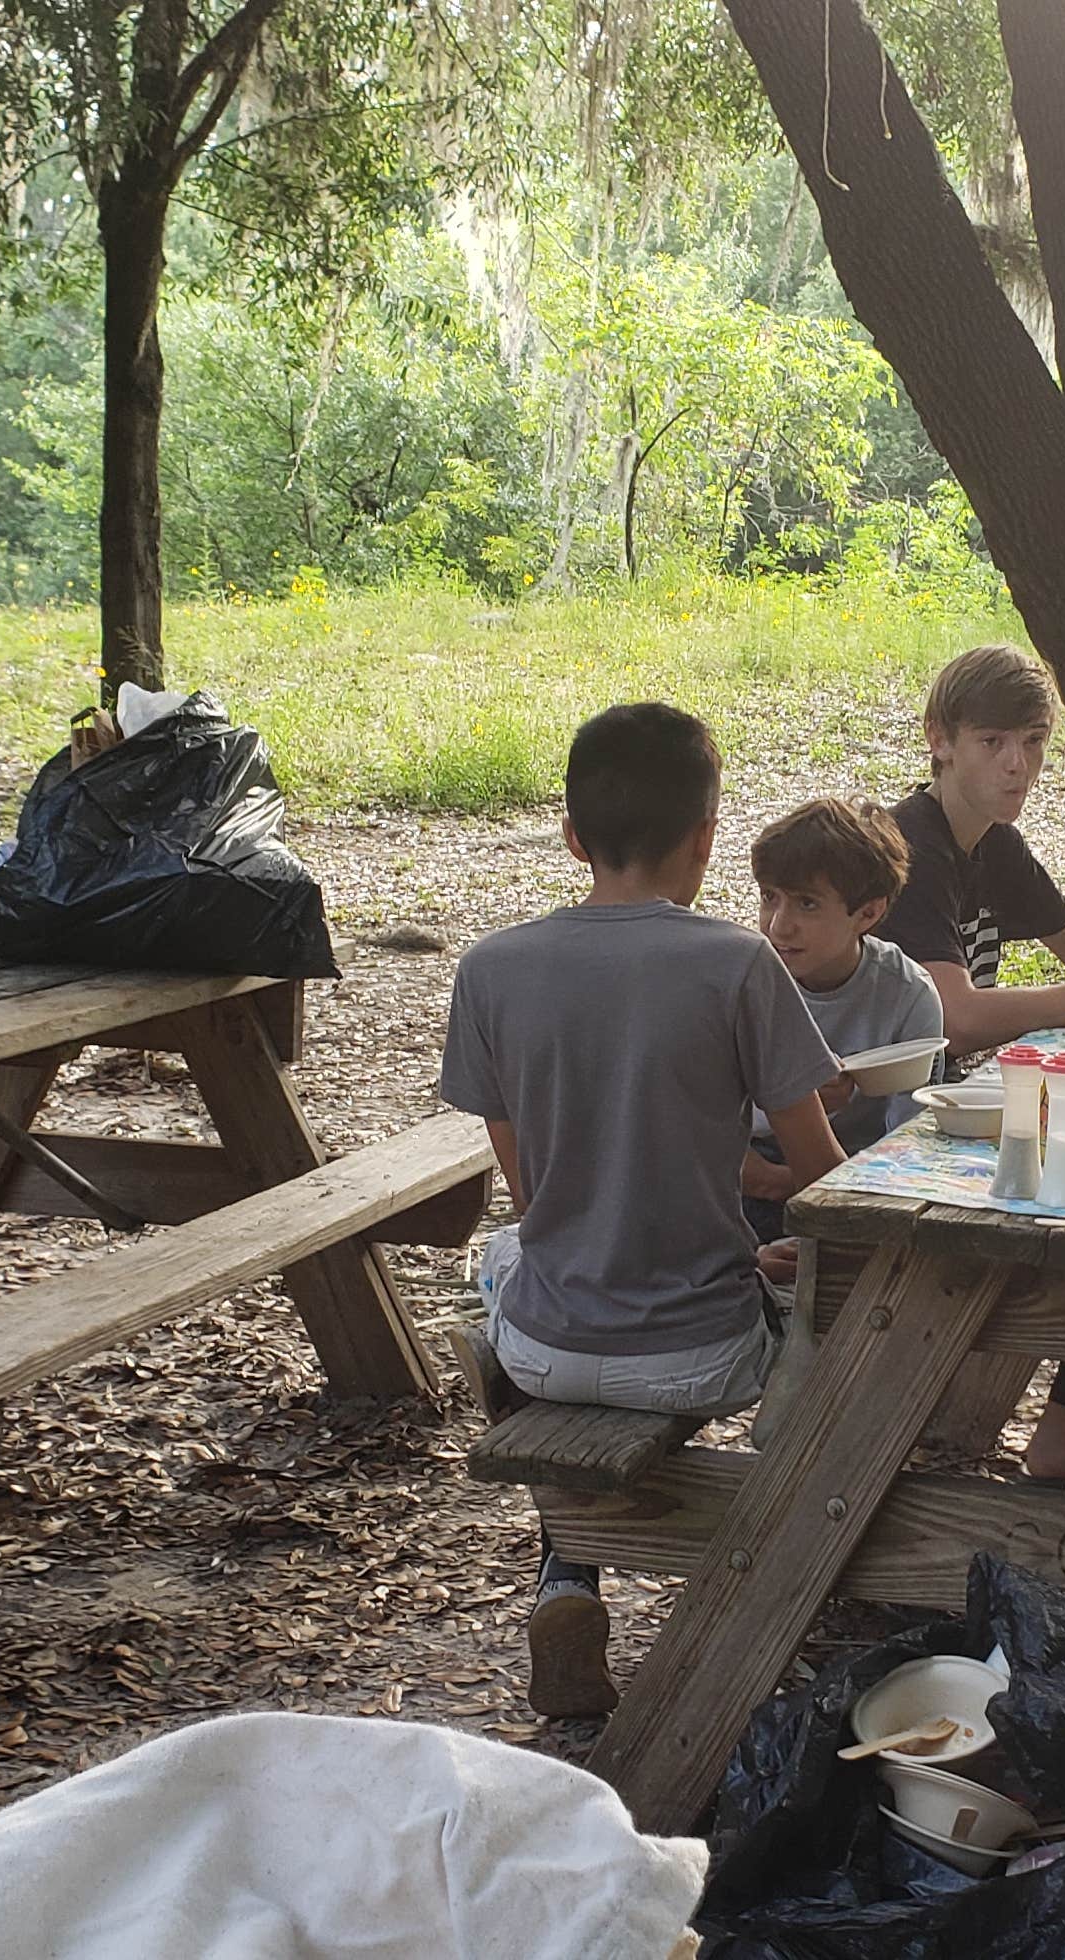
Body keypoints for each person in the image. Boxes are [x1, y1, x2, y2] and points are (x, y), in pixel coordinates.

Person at [435, 702, 849, 1718]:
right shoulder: (736, 963)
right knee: (811, 1306)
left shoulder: (491, 967)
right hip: (700, 1354)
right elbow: (824, 1184)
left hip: (545, 1344)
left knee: (505, 1251)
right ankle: (790, 1575)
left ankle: (567, 1572)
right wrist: (788, 1247)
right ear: (707, 838)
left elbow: (532, 1195)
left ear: (573, 837)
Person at [874, 644, 1065, 1496]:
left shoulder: (993, 841)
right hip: (893, 1130)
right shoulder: (913, 850)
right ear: (940, 740)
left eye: (1034, 743)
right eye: (994, 741)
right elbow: (955, 1014)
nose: (1017, 765)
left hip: (966, 1107)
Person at [742, 797, 944, 1244]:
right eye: (769, 898)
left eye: (807, 904)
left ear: (867, 914)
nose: (779, 925)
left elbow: (912, 1140)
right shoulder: (742, 980)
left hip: (855, 1172)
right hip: (744, 1169)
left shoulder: (906, 995)